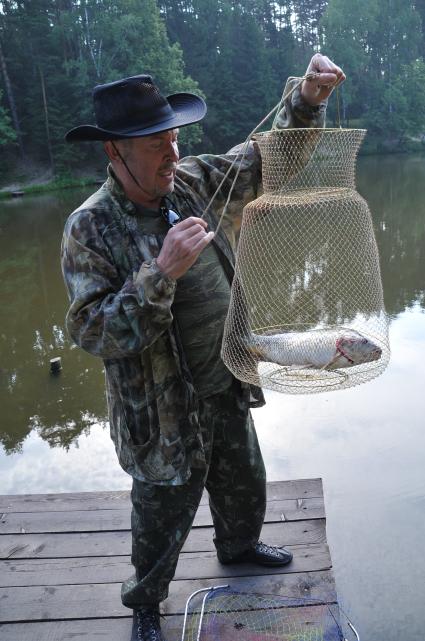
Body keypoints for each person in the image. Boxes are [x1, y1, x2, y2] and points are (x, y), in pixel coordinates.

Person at [61, 53, 344, 641]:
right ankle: (145, 603)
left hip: (227, 379)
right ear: (115, 152)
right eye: (154, 145)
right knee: (160, 518)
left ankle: (239, 546)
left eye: (172, 138)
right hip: (161, 414)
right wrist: (160, 272)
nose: (170, 153)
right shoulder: (89, 228)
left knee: (245, 480)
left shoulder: (190, 181)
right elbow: (92, 331)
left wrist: (307, 100)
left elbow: (265, 160)